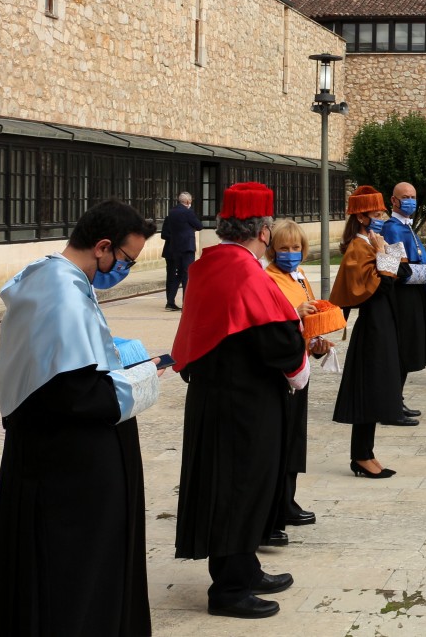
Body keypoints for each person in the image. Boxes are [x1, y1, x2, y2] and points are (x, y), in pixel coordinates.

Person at [0, 200, 160, 636]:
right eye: (126, 259)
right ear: (102, 247)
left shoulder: (57, 278)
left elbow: (67, 363)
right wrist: (142, 378)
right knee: (75, 575)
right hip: (68, 469)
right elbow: (75, 392)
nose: (124, 270)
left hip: (57, 457)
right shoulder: (60, 289)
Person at [172, 182, 308, 619]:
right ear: (264, 232)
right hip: (243, 402)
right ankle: (229, 589)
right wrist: (299, 367)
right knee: (239, 485)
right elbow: (274, 338)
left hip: (219, 395)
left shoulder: (212, 262)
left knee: (241, 483)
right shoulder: (245, 270)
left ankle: (245, 566)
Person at [330, 186, 420, 481]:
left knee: (377, 387)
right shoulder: (359, 247)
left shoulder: (369, 243)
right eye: (378, 213)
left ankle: (366, 452)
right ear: (364, 217)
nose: (382, 217)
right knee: (370, 389)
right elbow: (380, 285)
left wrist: (385, 252)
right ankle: (361, 455)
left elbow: (396, 272)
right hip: (373, 325)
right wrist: (383, 252)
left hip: (383, 321)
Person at [263, 220, 336, 537]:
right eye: (284, 248)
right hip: (281, 367)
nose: (291, 254)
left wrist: (317, 340)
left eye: (296, 248)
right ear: (272, 250)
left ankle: (288, 499)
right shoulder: (269, 278)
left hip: (301, 358)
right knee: (282, 436)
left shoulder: (301, 275)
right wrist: (296, 311)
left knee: (295, 437)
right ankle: (277, 503)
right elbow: (272, 318)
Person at [381, 181, 426, 424]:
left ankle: (396, 399)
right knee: (401, 351)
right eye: (405, 197)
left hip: (414, 296)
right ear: (394, 200)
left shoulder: (407, 226)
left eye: (413, 196)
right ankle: (391, 404)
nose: (410, 200)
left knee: (407, 350)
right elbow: (396, 271)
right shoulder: (392, 228)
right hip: (402, 298)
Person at [161, 190, 203, 311]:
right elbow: (199, 226)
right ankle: (187, 302)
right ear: (188, 201)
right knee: (187, 274)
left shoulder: (172, 212)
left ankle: (170, 301)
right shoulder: (188, 212)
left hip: (175, 247)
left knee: (177, 275)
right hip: (187, 246)